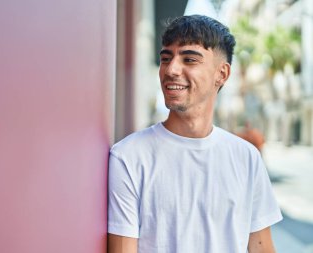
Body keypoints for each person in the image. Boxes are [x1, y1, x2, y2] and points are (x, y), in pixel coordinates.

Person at [108, 15, 282, 253]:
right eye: (166, 58)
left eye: (189, 59)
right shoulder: (128, 157)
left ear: (221, 74)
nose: (171, 69)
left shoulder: (247, 158)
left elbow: (262, 248)